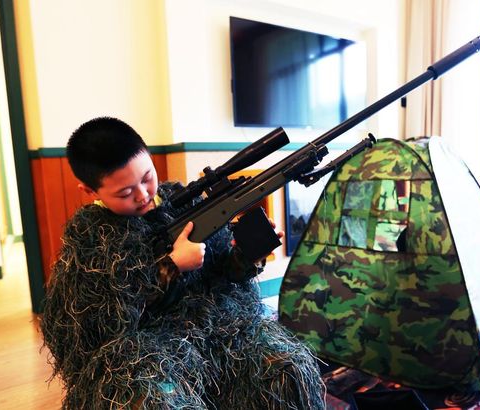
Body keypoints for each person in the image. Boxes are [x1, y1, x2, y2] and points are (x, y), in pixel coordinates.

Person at [41, 117, 325, 409]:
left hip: (220, 332)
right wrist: (172, 265)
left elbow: (225, 275)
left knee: (287, 367)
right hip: (150, 350)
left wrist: (248, 255)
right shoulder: (90, 238)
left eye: (147, 177)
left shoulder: (182, 201)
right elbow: (103, 323)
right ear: (89, 192)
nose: (143, 195)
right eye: (125, 193)